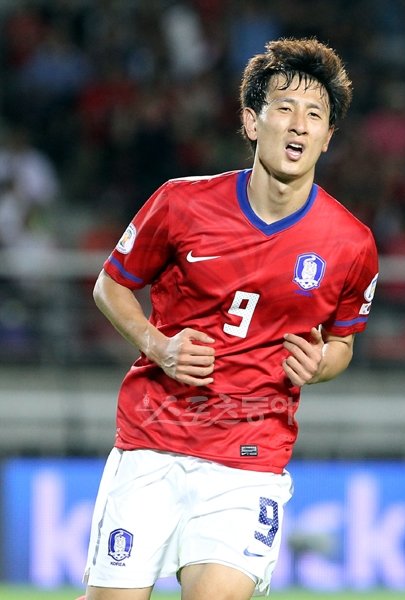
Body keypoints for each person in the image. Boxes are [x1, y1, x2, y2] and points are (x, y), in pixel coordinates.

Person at [83, 37, 379, 600]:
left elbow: (342, 346)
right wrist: (158, 345)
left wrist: (320, 365)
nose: (299, 125)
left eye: (315, 115)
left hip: (249, 459)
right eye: (284, 108)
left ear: (328, 136)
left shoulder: (351, 244)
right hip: (153, 441)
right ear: (251, 121)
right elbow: (110, 285)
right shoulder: (180, 203)